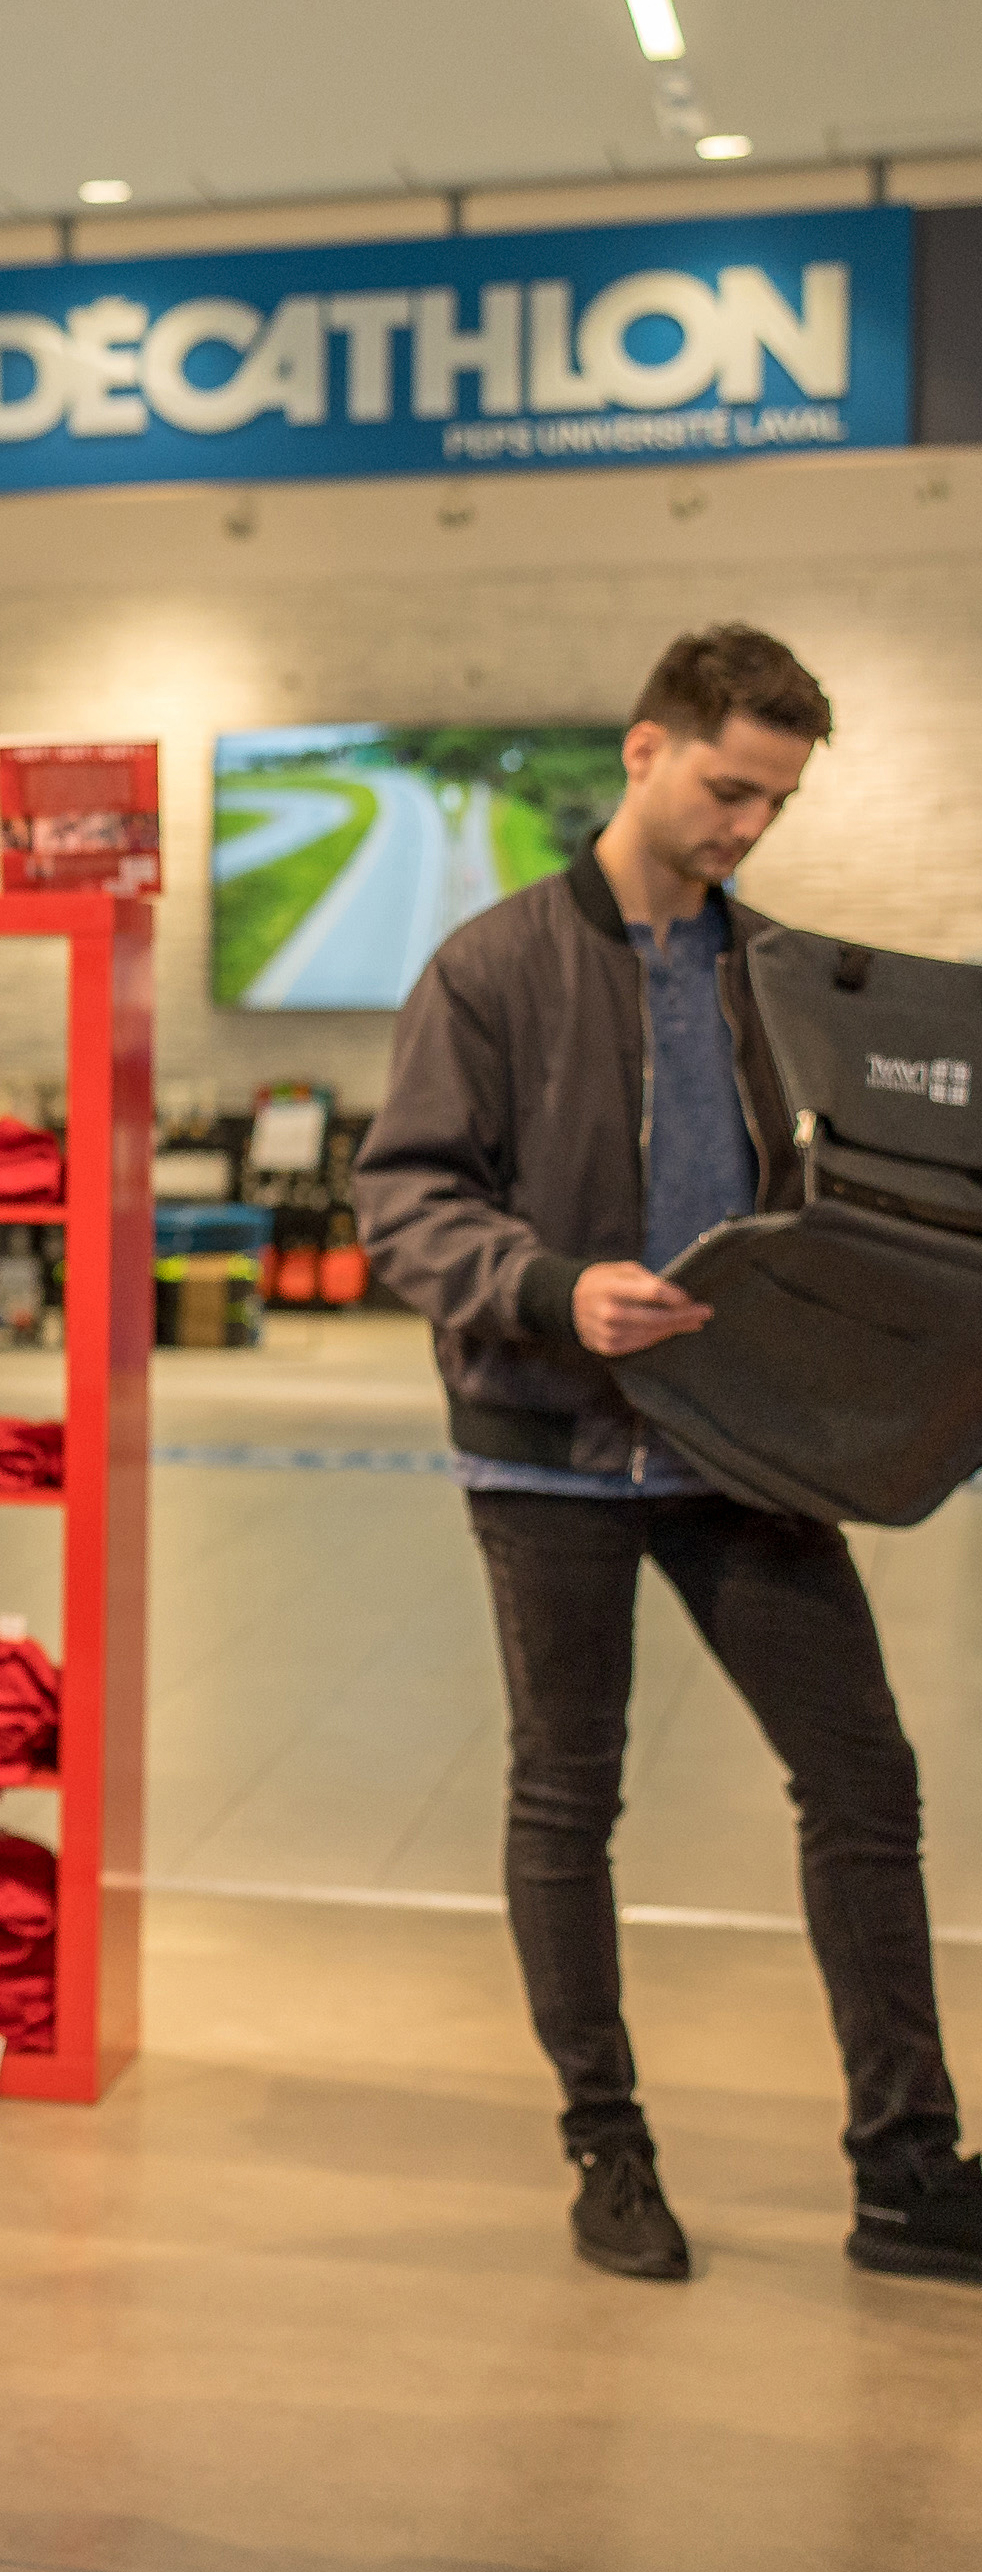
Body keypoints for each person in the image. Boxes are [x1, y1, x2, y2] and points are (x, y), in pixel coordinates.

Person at [355, 624, 977, 2288]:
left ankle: (908, 2169)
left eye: (771, 801)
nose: (744, 829)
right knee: (568, 1796)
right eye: (724, 788)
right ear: (642, 752)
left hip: (748, 1452)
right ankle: (603, 2149)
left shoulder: (776, 979)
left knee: (864, 1783)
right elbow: (402, 1195)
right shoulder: (487, 967)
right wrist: (554, 1289)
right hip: (548, 1445)